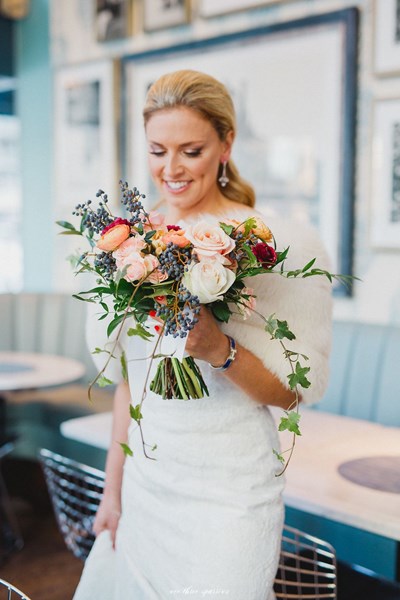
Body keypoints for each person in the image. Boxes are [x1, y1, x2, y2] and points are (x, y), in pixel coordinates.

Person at [73, 69, 332, 599]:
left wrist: (222, 350)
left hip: (231, 495)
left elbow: (290, 392)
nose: (170, 169)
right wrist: (113, 493)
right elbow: (130, 384)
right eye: (156, 150)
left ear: (226, 144)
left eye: (190, 150)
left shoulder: (277, 248)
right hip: (147, 486)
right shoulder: (126, 245)